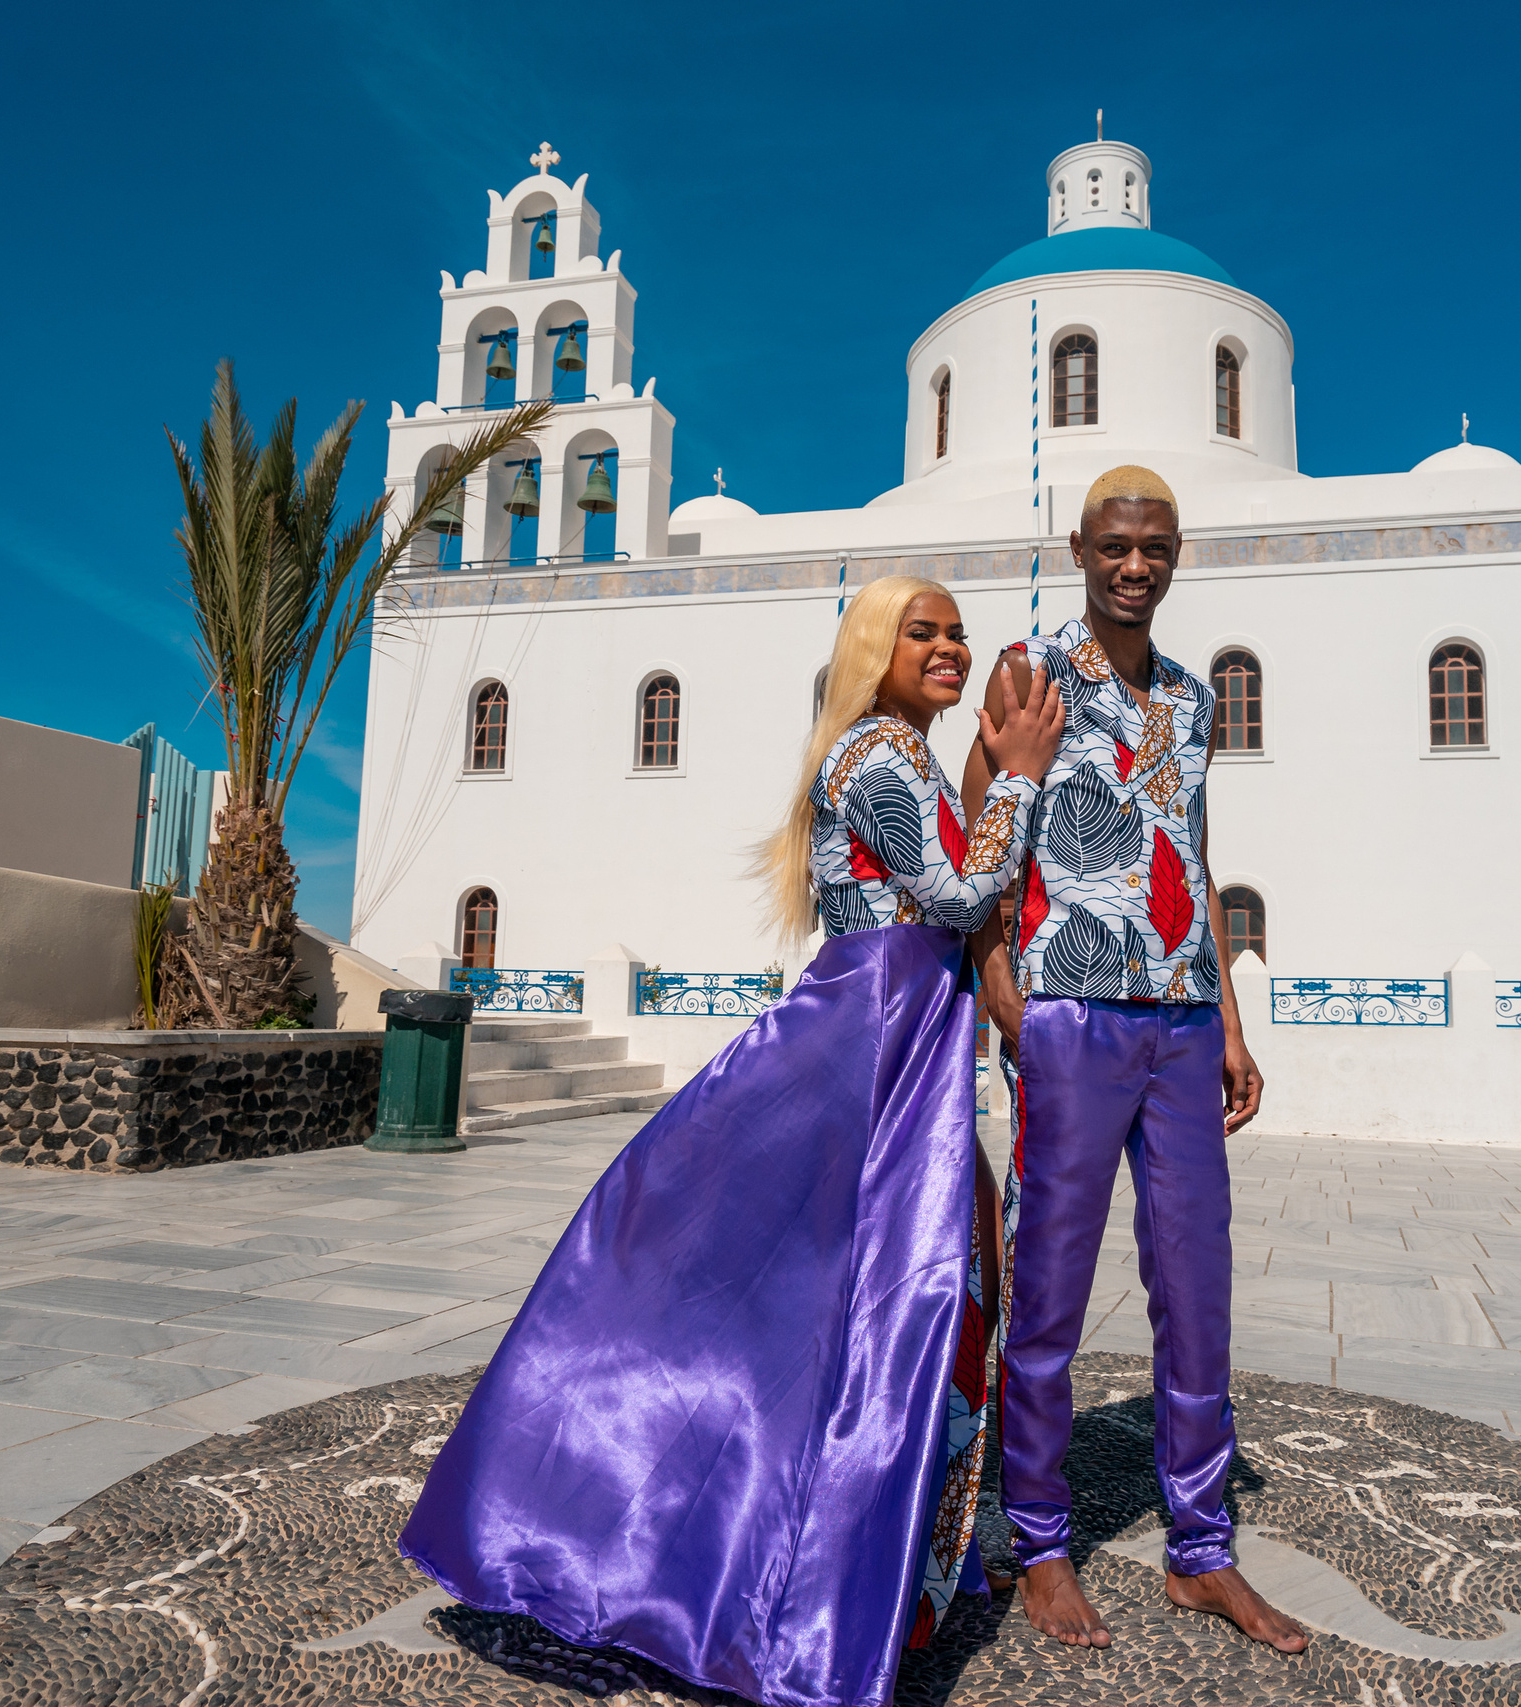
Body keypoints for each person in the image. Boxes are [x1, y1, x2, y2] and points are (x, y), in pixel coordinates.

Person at [403, 575, 1065, 1707]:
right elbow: (955, 895)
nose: (950, 646)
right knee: (878, 1305)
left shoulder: (894, 755)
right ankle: (804, 1582)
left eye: (957, 631)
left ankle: (885, 1573)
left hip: (897, 1050)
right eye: (925, 632)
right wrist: (1019, 777)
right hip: (860, 1054)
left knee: (919, 1296)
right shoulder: (875, 756)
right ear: (875, 651)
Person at [960, 465, 1308, 1654]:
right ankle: (1041, 1542)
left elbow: (1195, 856)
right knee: (1049, 1294)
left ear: (1176, 554)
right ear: (1079, 548)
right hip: (1069, 1014)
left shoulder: (1193, 702)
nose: (1134, 566)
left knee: (1195, 1290)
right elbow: (978, 825)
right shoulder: (1029, 671)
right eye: (1114, 546)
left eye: (1154, 547)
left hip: (1178, 1017)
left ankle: (1200, 1554)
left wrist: (1231, 1020)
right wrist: (1000, 980)